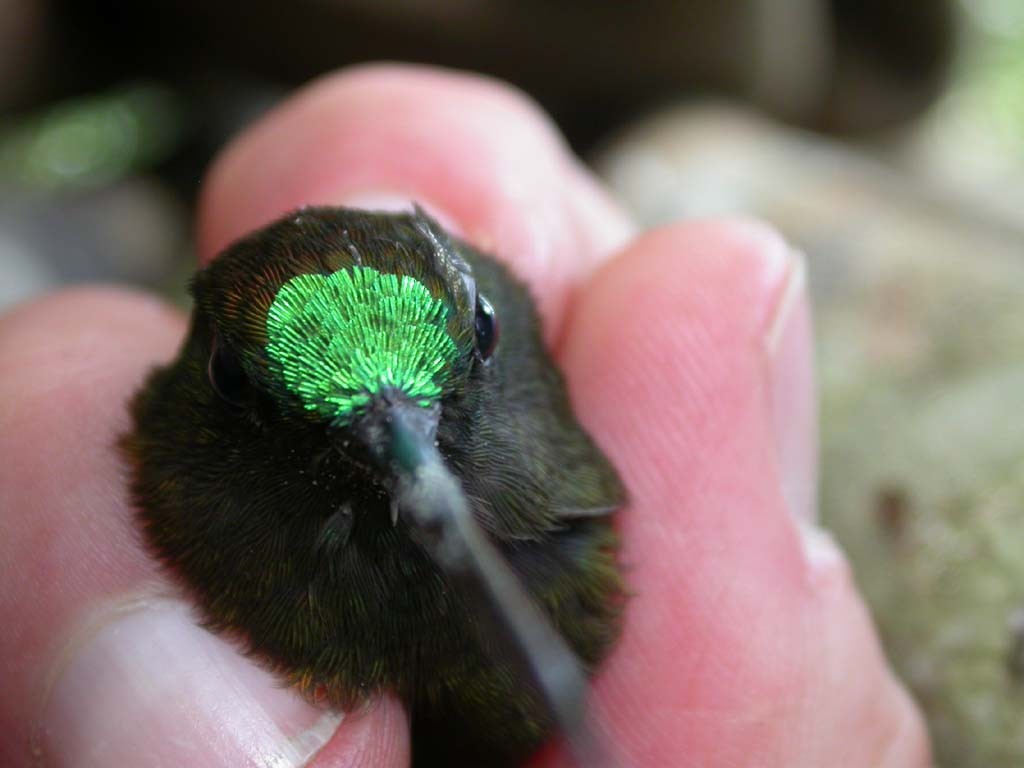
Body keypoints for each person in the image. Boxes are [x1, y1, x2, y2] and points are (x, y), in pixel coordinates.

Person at [0, 65, 929, 767]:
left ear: (500, 317)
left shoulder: (608, 532)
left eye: (473, 337)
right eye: (244, 387)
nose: (409, 463)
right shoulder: (174, 529)